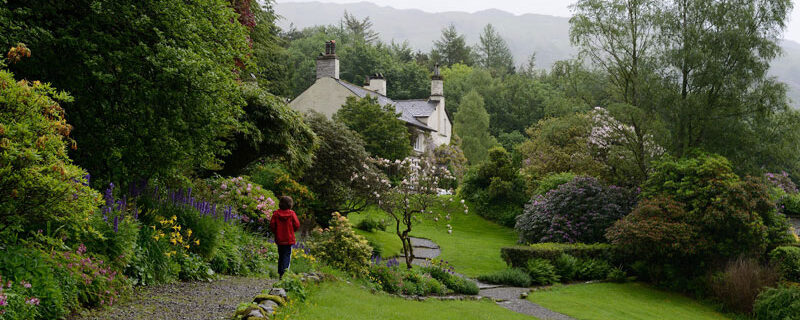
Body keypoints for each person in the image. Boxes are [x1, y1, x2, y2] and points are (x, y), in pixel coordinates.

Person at [270, 196, 300, 279]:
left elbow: (272, 225)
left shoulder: (276, 214)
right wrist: (292, 230)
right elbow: (297, 225)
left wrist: (276, 232)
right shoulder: (292, 214)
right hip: (289, 239)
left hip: (279, 238)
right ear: (290, 204)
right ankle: (285, 273)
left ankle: (280, 272)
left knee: (281, 255)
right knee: (287, 256)